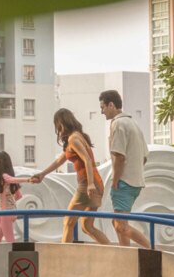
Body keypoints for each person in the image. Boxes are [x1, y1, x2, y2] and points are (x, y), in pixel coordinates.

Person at [30, 109, 111, 245]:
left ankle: (64, 254)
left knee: (68, 221)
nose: (58, 130)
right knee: (87, 226)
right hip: (96, 184)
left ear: (61, 123)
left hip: (88, 184)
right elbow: (59, 161)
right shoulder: (76, 137)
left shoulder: (73, 139)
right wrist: (42, 174)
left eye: (57, 125)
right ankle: (114, 251)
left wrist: (90, 184)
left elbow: (87, 160)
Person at [99, 89, 150, 248]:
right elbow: (144, 157)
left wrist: (115, 180)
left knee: (120, 225)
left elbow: (119, 156)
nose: (102, 112)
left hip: (124, 183)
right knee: (118, 224)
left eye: (103, 107)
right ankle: (126, 254)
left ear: (111, 105)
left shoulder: (118, 124)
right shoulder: (133, 123)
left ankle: (153, 251)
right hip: (135, 182)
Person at [0, 151, 29, 244]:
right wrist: (9, 204)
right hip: (12, 212)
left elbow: (11, 180)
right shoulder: (8, 178)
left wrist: (29, 180)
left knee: (10, 242)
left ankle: (18, 254)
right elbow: (19, 196)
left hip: (5, 213)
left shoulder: (3, 177)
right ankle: (0, 254)